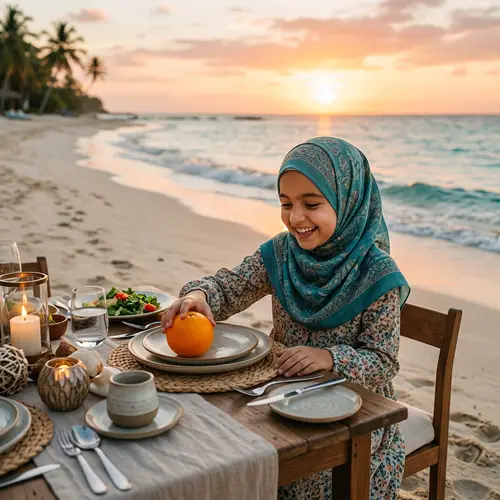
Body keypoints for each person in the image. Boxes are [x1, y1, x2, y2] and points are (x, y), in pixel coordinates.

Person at [162, 136, 410, 499]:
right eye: (285, 203)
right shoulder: (282, 252)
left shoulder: (378, 273)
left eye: (312, 203)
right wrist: (199, 295)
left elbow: (384, 361)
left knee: (304, 474)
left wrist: (329, 357)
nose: (296, 218)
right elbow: (231, 286)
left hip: (352, 416)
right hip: (279, 396)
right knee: (219, 447)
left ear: (349, 201)